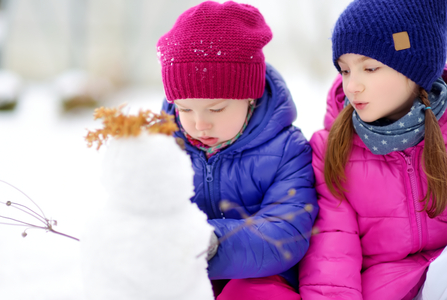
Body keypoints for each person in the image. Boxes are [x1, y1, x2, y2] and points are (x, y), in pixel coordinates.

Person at [157, 1, 318, 299]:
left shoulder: (286, 150)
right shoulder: (163, 145)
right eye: (185, 109)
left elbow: (288, 230)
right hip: (181, 274)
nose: (199, 123)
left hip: (262, 276)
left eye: (216, 109)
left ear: (250, 98)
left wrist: (215, 240)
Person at [298, 0, 447, 299]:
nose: (353, 86)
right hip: (380, 289)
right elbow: (333, 249)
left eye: (370, 67)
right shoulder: (330, 148)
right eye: (345, 70)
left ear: (417, 68)